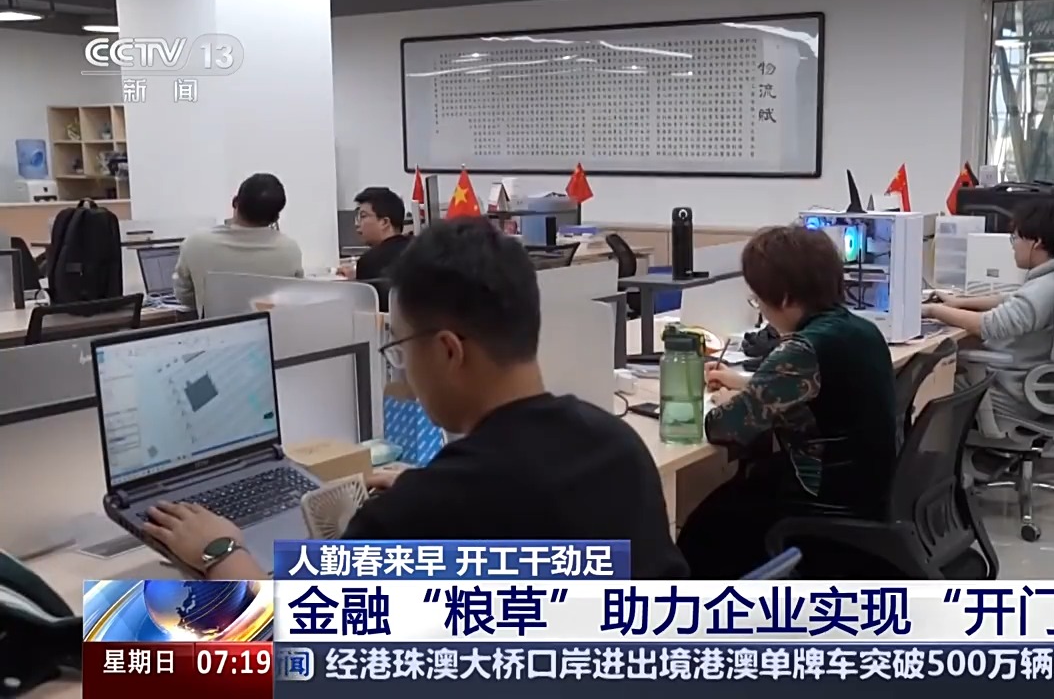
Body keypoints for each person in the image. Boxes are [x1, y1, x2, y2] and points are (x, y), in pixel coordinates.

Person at [142, 218, 688, 580]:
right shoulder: (616, 444)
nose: (402, 366)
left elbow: (285, 636)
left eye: (400, 348)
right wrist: (427, 487)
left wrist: (220, 551)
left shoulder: (428, 510)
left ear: (448, 351)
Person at [676, 225, 899, 578]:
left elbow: (725, 427)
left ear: (782, 297)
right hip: (867, 491)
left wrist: (737, 400)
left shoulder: (802, 349)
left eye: (758, 299)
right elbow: (825, 392)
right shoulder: (861, 330)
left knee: (701, 533)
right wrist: (749, 387)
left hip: (823, 505)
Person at [923, 198, 1054, 423]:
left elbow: (988, 325)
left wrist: (932, 310)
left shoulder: (1045, 289)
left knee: (923, 387)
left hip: (1010, 394)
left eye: (1015, 238)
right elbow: (1012, 299)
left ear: (1036, 242)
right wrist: (960, 302)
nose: (1013, 245)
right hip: (1035, 389)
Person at [173, 173, 303, 313]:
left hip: (218, 326)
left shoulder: (196, 243)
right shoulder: (290, 250)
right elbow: (294, 297)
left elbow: (185, 296)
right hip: (270, 326)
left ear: (235, 202)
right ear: (276, 217)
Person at [337, 187, 410, 281]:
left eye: (363, 216)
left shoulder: (369, 261)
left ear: (384, 222)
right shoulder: (418, 251)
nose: (357, 224)